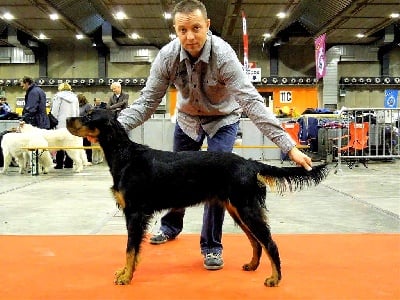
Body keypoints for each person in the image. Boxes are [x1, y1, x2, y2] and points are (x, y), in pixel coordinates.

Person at [117, 0, 312, 271]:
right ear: (174, 29)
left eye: (196, 28)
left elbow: (252, 102)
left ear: (207, 26)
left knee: (219, 183)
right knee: (173, 179)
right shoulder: (167, 56)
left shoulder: (224, 55)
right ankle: (170, 227)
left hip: (223, 120)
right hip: (186, 121)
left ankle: (211, 246)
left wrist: (288, 146)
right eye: (182, 30)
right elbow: (146, 103)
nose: (190, 36)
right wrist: (113, 130)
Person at [51, 82, 80, 169]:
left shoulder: (58, 97)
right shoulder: (75, 97)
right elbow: (77, 111)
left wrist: (53, 120)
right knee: (70, 143)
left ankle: (59, 164)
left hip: (61, 123)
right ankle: (69, 163)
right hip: (72, 123)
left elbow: (55, 111)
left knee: (60, 143)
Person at [78, 93, 93, 162]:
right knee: (80, 144)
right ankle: (82, 159)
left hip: (86, 126)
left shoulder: (88, 105)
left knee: (87, 143)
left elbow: (91, 115)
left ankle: (89, 159)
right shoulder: (77, 106)